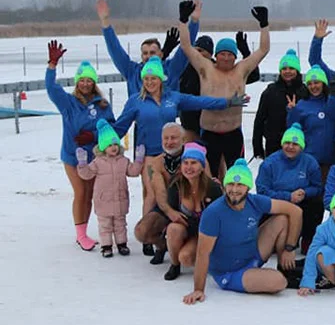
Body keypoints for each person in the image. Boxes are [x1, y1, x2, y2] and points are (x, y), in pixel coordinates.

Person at [112, 56, 243, 213]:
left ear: (160, 79)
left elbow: (199, 101)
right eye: (146, 79)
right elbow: (120, 127)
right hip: (149, 155)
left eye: (153, 78)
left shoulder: (173, 97)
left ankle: (176, 227)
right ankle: (148, 232)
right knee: (152, 195)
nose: (149, 82)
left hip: (174, 153)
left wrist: (226, 102)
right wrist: (102, 139)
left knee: (176, 193)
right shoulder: (135, 101)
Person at [183, 159, 302, 304]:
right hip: (230, 272)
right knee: (279, 282)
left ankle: (284, 267)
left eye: (240, 185)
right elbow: (202, 254)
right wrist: (198, 289)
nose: (234, 190)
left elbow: (295, 211)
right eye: (231, 184)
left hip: (252, 254)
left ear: (248, 188)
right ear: (225, 186)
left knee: (282, 219)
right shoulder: (213, 213)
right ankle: (269, 276)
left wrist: (289, 248)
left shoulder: (254, 201)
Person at [176, 1, 270, 178]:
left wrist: (264, 25)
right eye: (222, 54)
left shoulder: (241, 70)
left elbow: (264, 50)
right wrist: (183, 21)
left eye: (230, 55)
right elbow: (186, 47)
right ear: (216, 55)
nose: (226, 58)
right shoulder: (206, 69)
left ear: (235, 57)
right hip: (209, 134)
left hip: (233, 134)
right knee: (209, 178)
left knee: (236, 176)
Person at [46, 40, 116, 251]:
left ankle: (89, 231)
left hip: (95, 157)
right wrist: (52, 65)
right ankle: (81, 235)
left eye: (89, 80)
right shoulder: (68, 102)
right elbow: (51, 88)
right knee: (81, 192)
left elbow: (110, 128)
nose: (85, 83)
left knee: (91, 193)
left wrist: (93, 135)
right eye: (82, 80)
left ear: (94, 83)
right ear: (77, 83)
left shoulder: (102, 105)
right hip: (72, 156)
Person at [96, 0, 198, 97]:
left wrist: (194, 22)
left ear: (161, 54)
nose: (148, 56)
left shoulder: (171, 69)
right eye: (145, 53)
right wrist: (105, 22)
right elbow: (115, 50)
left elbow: (186, 48)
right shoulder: (132, 72)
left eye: (152, 52)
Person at [174, 33, 261, 143]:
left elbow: (253, 75)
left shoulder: (219, 69)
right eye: (196, 51)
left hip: (219, 125)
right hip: (190, 123)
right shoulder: (185, 70)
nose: (198, 54)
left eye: (201, 51)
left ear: (211, 54)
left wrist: (245, 52)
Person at [75, 120, 145, 258]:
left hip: (120, 199)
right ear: (102, 147)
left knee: (120, 224)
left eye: (115, 144)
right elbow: (87, 174)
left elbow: (133, 172)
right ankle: (106, 246)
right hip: (103, 200)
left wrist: (139, 160)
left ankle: (122, 244)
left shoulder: (123, 161)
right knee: (105, 225)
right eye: (109, 145)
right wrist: (82, 163)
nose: (113, 147)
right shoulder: (98, 162)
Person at [256, 123, 324, 253]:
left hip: (301, 202)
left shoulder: (310, 163)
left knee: (316, 204)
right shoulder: (269, 163)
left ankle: (307, 239)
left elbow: (317, 187)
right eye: (287, 143)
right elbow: (262, 191)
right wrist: (287, 197)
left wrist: (305, 192)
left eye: (295, 144)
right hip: (276, 203)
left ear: (302, 147)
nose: (290, 147)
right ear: (282, 144)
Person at [162, 144, 224, 281]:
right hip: (185, 228)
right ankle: (174, 265)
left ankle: (210, 257)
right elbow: (169, 211)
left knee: (186, 258)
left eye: (194, 163)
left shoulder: (212, 188)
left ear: (202, 166)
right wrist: (172, 213)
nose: (189, 167)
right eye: (186, 163)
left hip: (205, 232)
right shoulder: (176, 186)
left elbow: (220, 218)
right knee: (173, 228)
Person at [134, 123, 189, 261]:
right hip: (168, 205)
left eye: (174, 138)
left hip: (192, 206)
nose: (169, 142)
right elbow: (159, 194)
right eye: (166, 138)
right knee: (141, 232)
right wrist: (170, 213)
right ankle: (162, 246)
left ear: (183, 140)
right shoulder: (156, 163)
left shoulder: (195, 158)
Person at [286, 66, 335, 180]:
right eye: (310, 83)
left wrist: (334, 96)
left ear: (323, 83)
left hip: (332, 159)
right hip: (310, 159)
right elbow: (292, 129)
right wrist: (292, 111)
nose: (313, 86)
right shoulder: (302, 104)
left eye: (316, 83)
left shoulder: (331, 101)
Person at [252, 48, 307, 159]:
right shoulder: (271, 91)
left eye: (291, 68)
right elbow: (259, 120)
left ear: (297, 71)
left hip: (298, 143)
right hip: (274, 144)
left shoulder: (305, 91)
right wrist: (257, 147)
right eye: (284, 69)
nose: (287, 71)